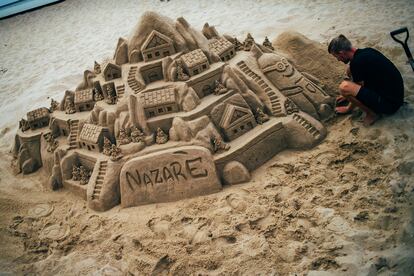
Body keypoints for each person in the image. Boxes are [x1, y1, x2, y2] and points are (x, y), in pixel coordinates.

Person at [328, 34, 404, 125]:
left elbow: (358, 88)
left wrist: (348, 107)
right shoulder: (367, 51)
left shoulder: (357, 63)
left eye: (336, 56)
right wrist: (348, 96)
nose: (338, 60)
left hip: (390, 105)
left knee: (344, 88)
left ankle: (372, 114)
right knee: (350, 70)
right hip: (396, 97)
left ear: (341, 53)